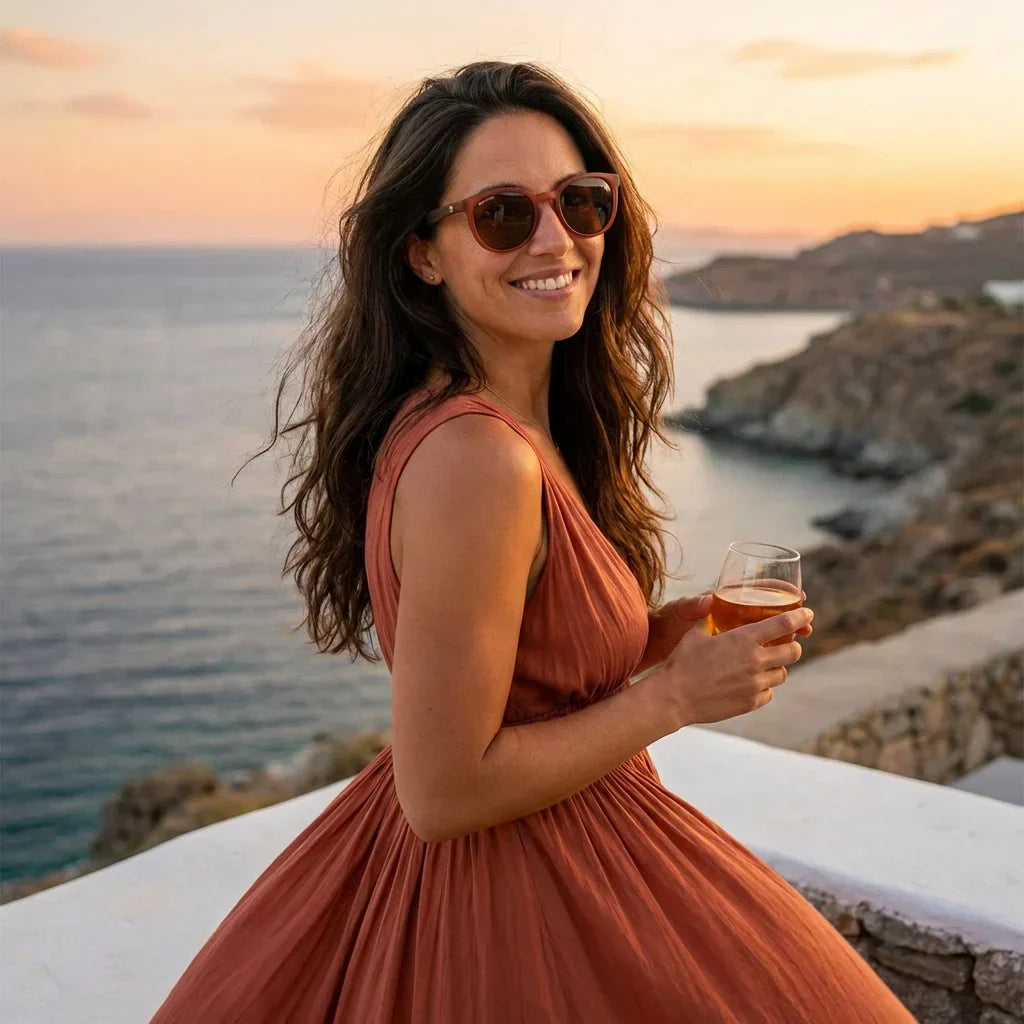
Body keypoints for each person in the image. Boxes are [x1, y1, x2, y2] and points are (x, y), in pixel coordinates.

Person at [151, 60, 914, 1023]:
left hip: (565, 852)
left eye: (582, 202)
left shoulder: (508, 425)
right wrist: (674, 698)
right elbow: (442, 791)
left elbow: (520, 666)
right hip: (516, 897)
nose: (556, 238)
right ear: (423, 253)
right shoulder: (479, 457)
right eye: (503, 215)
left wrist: (656, 634)